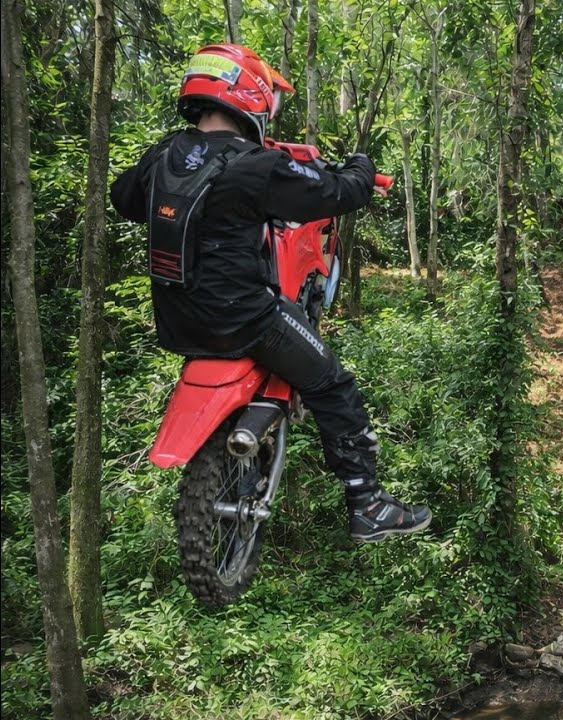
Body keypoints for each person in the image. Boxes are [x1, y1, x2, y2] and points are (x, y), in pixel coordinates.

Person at [110, 44, 431, 543]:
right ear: (251, 96)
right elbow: (335, 193)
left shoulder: (165, 154)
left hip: (177, 322)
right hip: (245, 320)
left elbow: (124, 197)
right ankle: (368, 503)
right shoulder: (254, 166)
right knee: (332, 383)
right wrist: (362, 167)